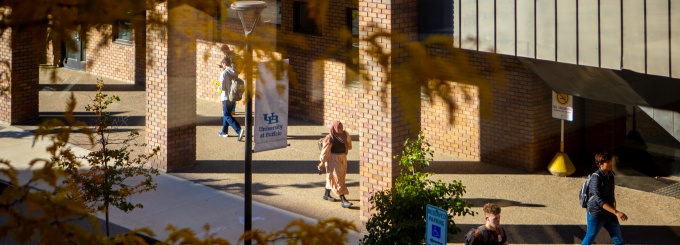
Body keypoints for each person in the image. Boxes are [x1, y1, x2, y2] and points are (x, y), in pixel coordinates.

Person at [582, 152, 627, 245]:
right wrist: (616, 212)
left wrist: (613, 206)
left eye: (610, 161)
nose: (611, 163)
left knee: (618, 239)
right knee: (590, 237)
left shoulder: (611, 175)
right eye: (607, 162)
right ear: (600, 164)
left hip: (609, 214)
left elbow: (611, 193)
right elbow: (598, 200)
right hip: (596, 214)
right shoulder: (596, 178)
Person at [317, 120, 353, 208]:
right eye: (338, 127)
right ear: (334, 128)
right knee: (338, 179)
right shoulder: (330, 138)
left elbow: (349, 145)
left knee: (334, 178)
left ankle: (326, 194)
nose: (340, 128)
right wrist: (322, 163)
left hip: (342, 158)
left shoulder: (345, 135)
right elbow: (325, 152)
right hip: (333, 159)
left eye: (341, 126)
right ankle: (343, 200)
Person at [217, 57, 244, 141]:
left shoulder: (223, 73)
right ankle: (224, 131)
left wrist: (217, 87)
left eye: (222, 64)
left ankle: (239, 130)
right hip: (233, 97)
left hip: (225, 97)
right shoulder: (234, 72)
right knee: (227, 113)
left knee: (227, 115)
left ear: (224, 64)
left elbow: (222, 86)